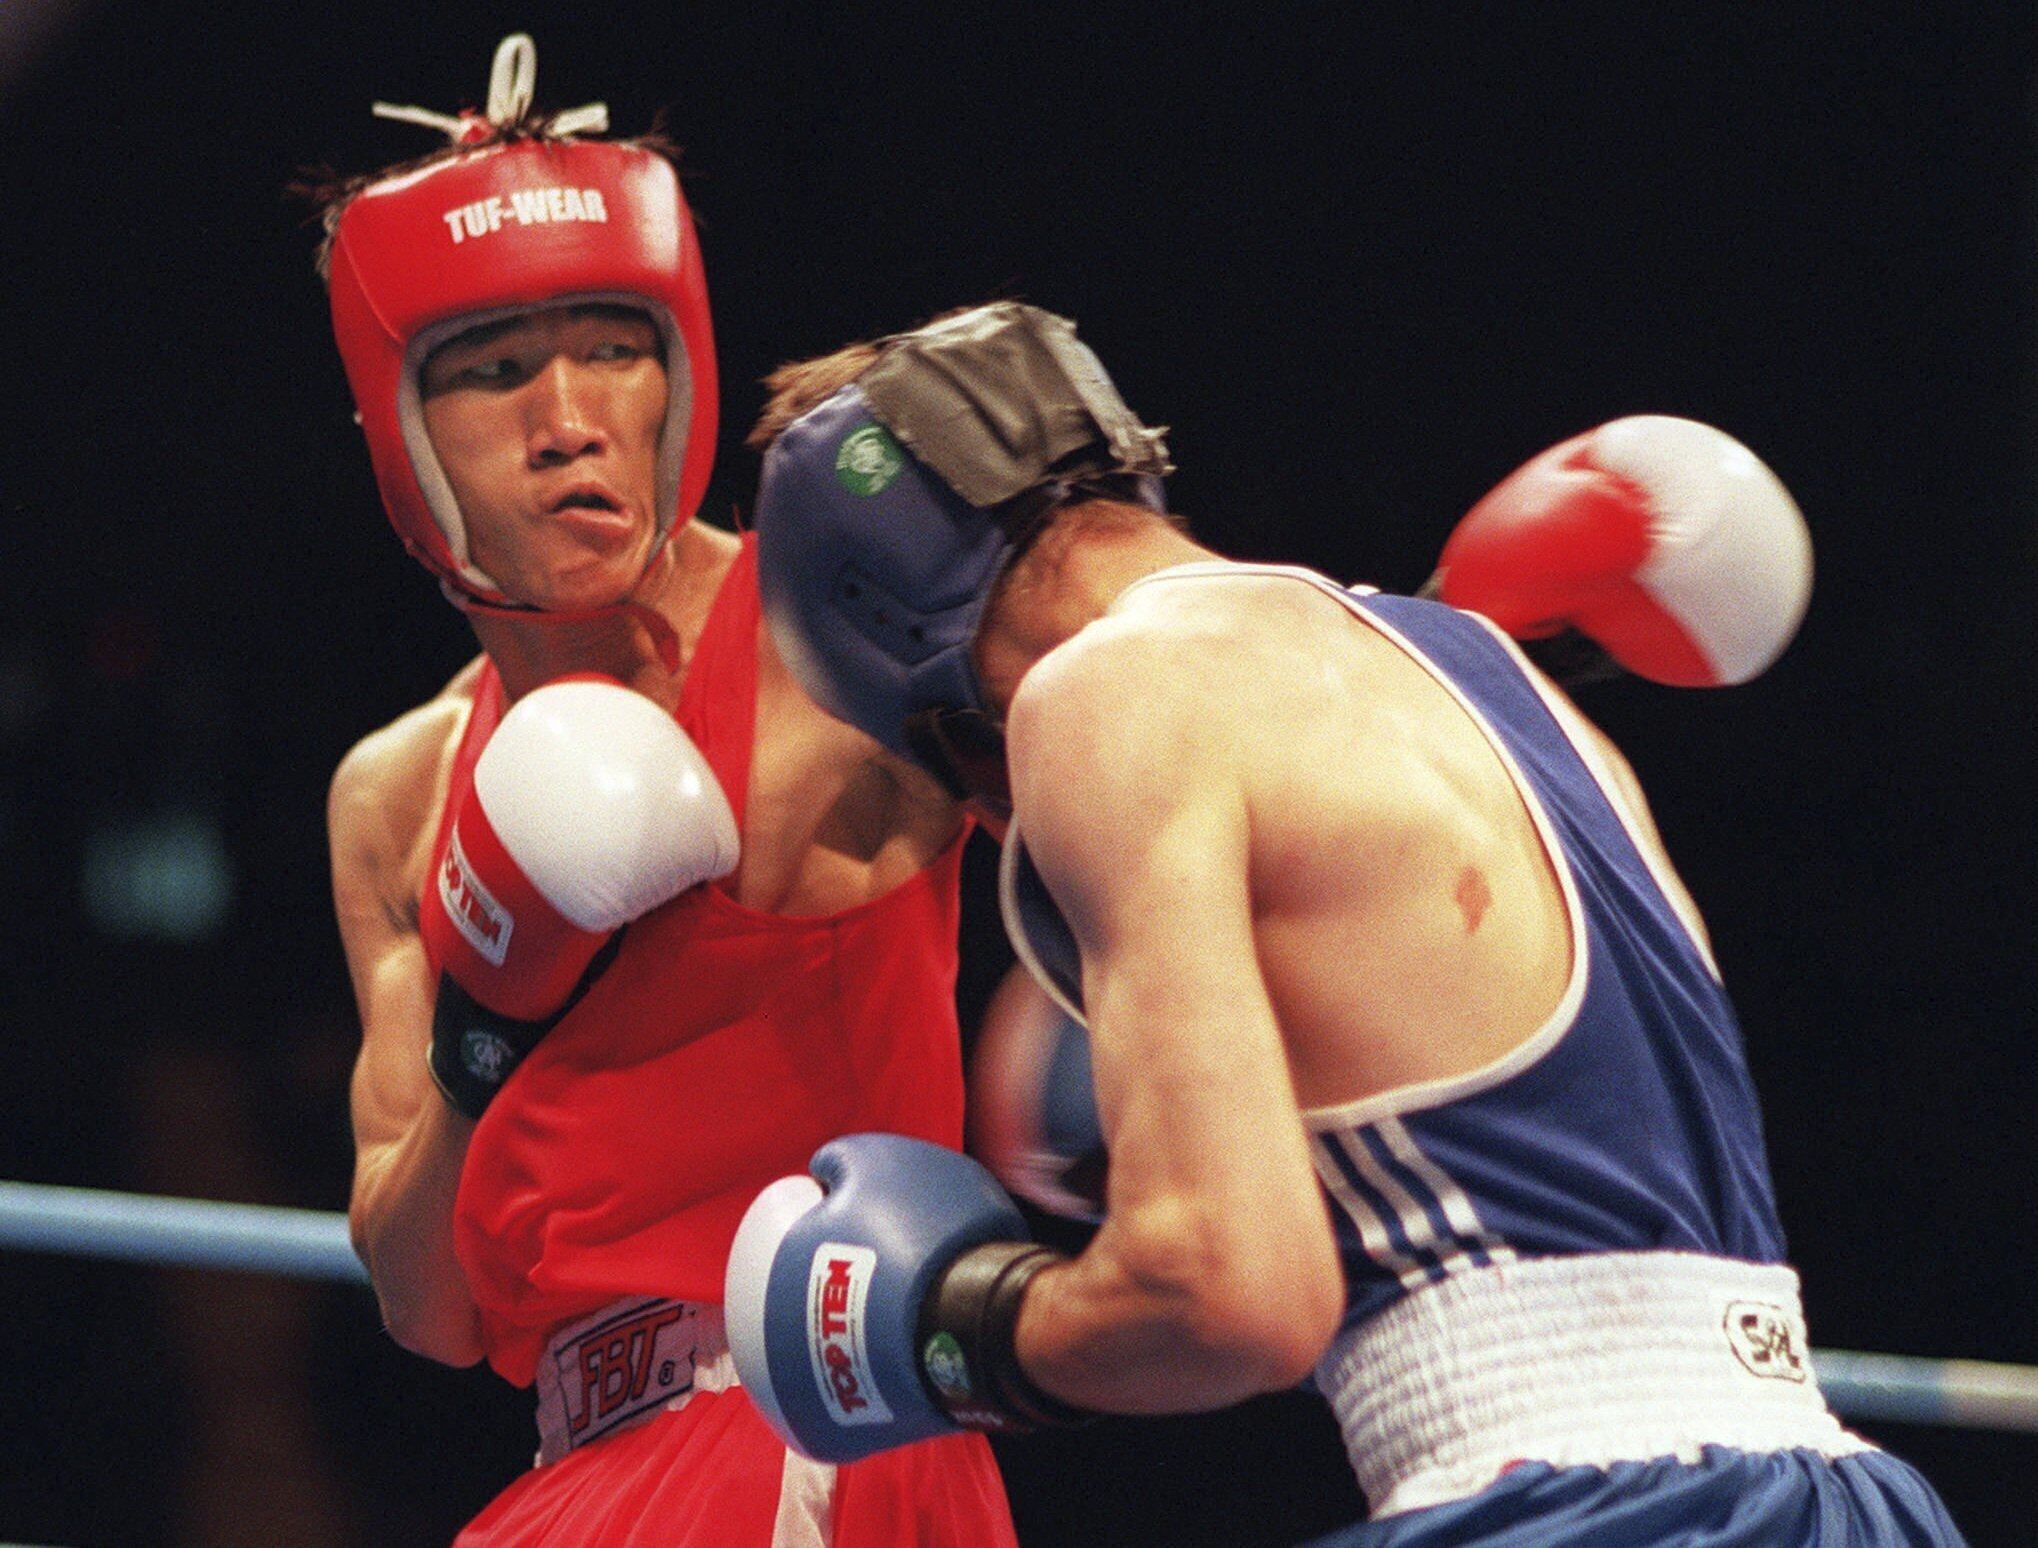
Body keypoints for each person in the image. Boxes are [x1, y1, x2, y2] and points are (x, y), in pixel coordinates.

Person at [724, 301, 1967, 1544]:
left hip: (1573, 1505)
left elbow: (1226, 1295)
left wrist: (956, 1331)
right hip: (1840, 1495)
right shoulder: (1484, 670)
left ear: (892, 661)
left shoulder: (1104, 694)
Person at [317, 37, 1015, 1546]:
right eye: (497, 370)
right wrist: (483, 1026)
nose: (567, 415)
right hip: (565, 1478)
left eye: (614, 349)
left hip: (816, 1437)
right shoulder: (398, 791)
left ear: (679, 369)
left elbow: (1150, 759)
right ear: (400, 432)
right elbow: (425, 1303)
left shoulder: (831, 637)